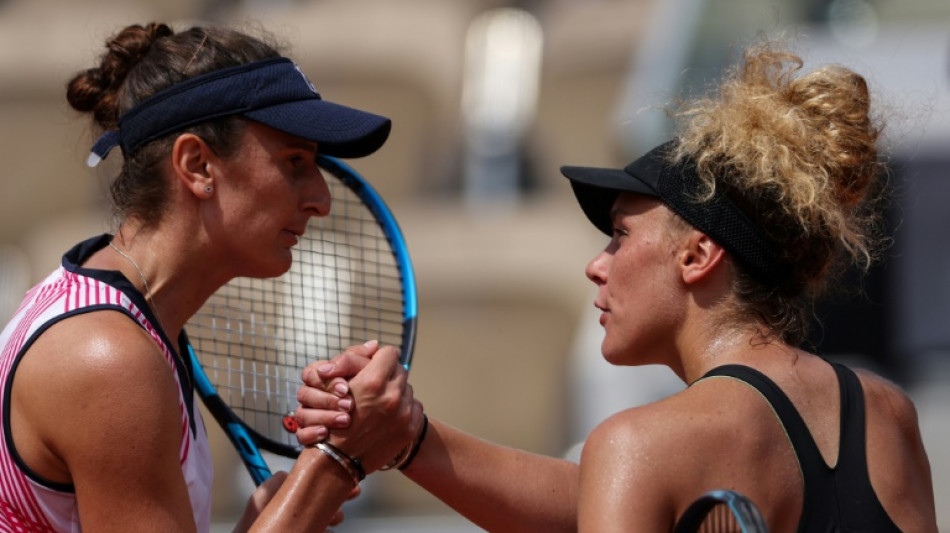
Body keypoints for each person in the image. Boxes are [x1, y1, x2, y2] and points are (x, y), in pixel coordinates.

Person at [294, 39, 939, 532]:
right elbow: (595, 496)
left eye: (621, 236)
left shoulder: (635, 446)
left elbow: (624, 480)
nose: (596, 265)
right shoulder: (886, 414)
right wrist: (407, 437)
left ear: (698, 255)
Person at [0, 22, 423, 532]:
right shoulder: (109, 359)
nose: (321, 199)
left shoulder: (122, 320)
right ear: (197, 165)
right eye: (294, 162)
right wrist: (334, 464)